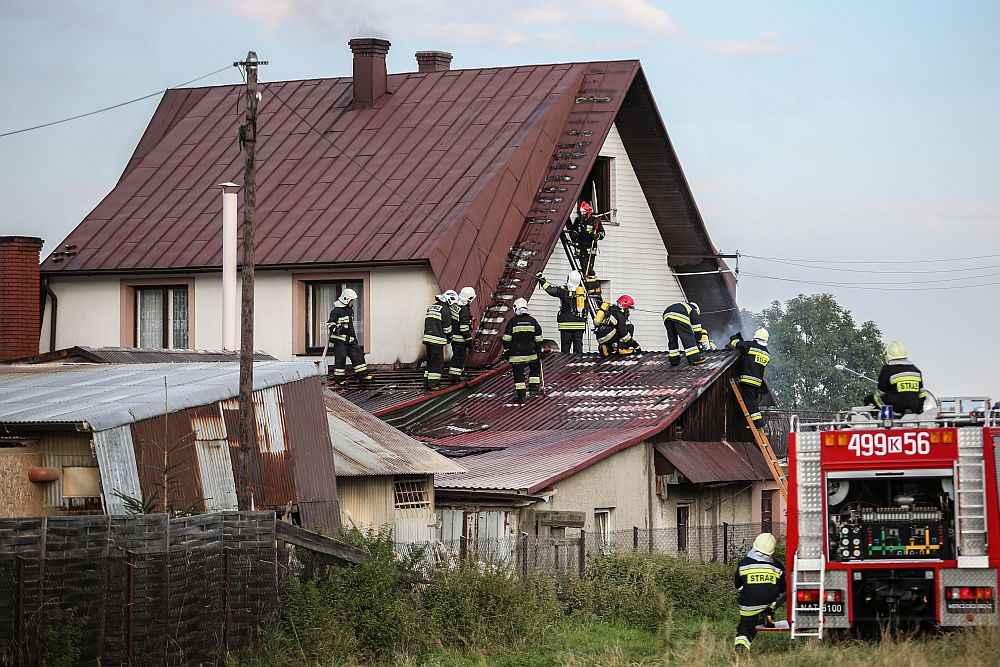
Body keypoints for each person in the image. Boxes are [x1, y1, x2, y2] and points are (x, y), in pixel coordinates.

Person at [734, 532, 786, 653]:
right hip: (768, 602)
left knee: (745, 627)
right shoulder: (777, 566)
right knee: (774, 594)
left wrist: (748, 590)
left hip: (748, 604)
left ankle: (741, 645)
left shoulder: (743, 564)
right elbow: (782, 587)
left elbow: (738, 584)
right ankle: (768, 614)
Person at [864, 341, 927, 415]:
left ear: (888, 355)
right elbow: (922, 394)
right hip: (913, 408)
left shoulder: (887, 369)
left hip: (894, 407)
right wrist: (919, 410)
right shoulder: (916, 370)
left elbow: (881, 391)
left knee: (869, 399)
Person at [501, 297, 544, 404]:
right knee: (534, 370)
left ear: (515, 308)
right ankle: (534, 390)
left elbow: (506, 338)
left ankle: (521, 396)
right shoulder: (533, 321)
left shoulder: (512, 322)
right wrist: (539, 349)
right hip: (531, 353)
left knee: (519, 374)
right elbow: (538, 338)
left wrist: (506, 350)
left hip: (516, 355)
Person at [327, 288, 373, 386]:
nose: (353, 302)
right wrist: (336, 329)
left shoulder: (349, 310)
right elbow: (330, 324)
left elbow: (350, 327)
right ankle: (339, 380)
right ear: (346, 299)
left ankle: (362, 375)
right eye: (352, 300)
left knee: (358, 354)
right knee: (341, 358)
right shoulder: (336, 311)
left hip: (350, 340)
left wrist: (354, 339)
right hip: (340, 341)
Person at [535, 270, 587, 353]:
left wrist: (541, 279)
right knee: (578, 348)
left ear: (568, 279)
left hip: (566, 325)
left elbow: (550, 290)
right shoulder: (583, 291)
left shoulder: (563, 290)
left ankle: (565, 360)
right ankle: (577, 360)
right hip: (579, 325)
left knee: (565, 348)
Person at [728, 328, 770, 427]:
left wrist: (734, 339)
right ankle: (749, 421)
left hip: (747, 379)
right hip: (758, 382)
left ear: (756, 337)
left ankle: (758, 422)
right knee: (751, 401)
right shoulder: (767, 354)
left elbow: (736, 344)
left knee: (750, 402)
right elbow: (754, 362)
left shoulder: (750, 345)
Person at [422, 292, 455, 390]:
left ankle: (427, 382)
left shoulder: (432, 307)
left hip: (428, 338)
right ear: (449, 300)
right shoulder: (445, 309)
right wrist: (450, 337)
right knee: (437, 362)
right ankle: (433, 384)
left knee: (430, 361)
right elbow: (447, 327)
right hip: (437, 340)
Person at [566, 201, 605, 276]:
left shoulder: (595, 221)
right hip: (581, 248)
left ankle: (591, 279)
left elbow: (602, 233)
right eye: (580, 212)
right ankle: (587, 278)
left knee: (588, 268)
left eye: (583, 212)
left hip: (590, 248)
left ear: (588, 212)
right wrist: (573, 234)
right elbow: (574, 230)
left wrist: (597, 236)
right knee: (584, 267)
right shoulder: (578, 221)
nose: (581, 214)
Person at [662, 301, 707, 366]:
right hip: (679, 314)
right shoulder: (693, 310)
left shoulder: (685, 306)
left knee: (672, 338)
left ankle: (674, 360)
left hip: (666, 315)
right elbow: (697, 328)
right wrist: (698, 339)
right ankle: (695, 359)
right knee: (688, 337)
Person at [448, 287, 476, 382]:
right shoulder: (464, 310)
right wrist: (469, 343)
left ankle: (460, 373)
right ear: (470, 298)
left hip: (453, 337)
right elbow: (464, 329)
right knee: (459, 357)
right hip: (460, 338)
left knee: (457, 356)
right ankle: (454, 377)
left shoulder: (455, 306)